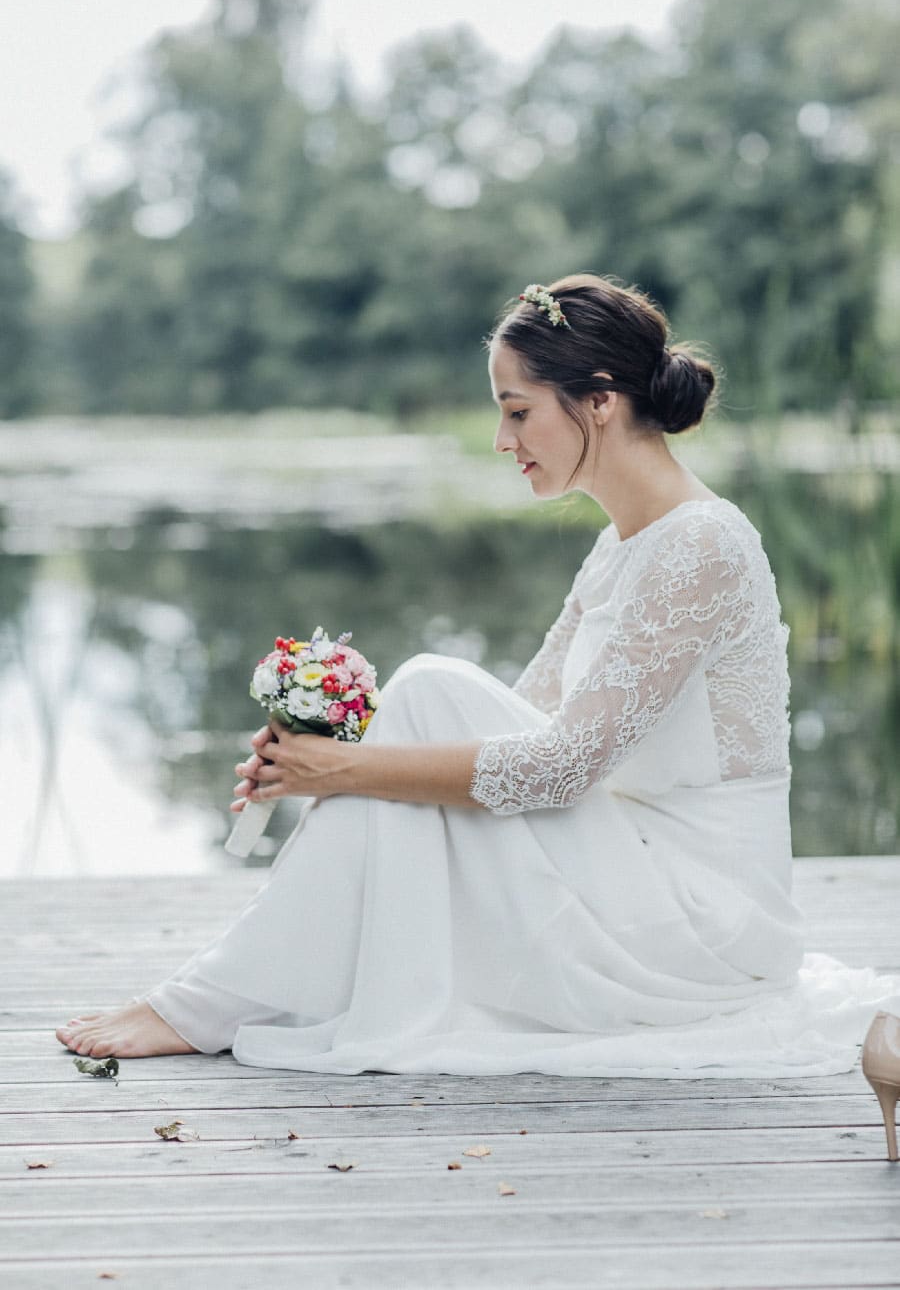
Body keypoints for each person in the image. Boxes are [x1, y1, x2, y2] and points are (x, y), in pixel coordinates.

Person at [56, 273, 900, 1081]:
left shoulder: (703, 544)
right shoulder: (624, 546)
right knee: (420, 703)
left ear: (600, 401)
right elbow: (517, 727)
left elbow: (559, 768)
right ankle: (218, 995)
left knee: (425, 688)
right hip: (630, 868)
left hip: (706, 919)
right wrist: (329, 756)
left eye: (518, 411)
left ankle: (209, 1002)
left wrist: (350, 769)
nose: (503, 442)